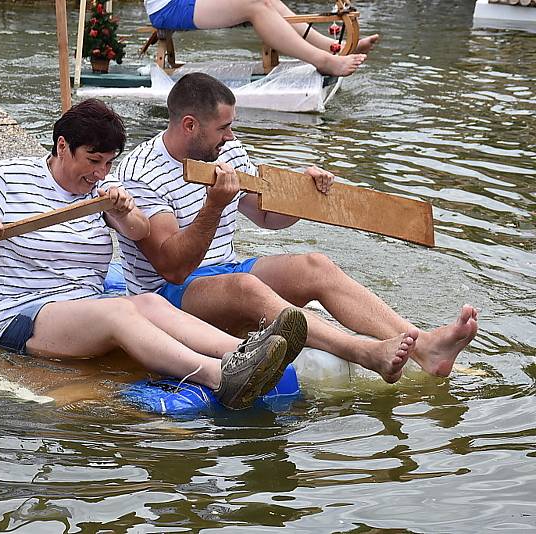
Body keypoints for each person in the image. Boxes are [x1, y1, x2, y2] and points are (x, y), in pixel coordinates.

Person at [0, 97, 307, 410]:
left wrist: (122, 208)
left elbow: (139, 231)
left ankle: (248, 353)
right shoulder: (11, 176)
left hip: (82, 307)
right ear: (62, 147)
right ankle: (219, 376)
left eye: (108, 163)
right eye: (92, 161)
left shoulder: (102, 190)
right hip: (18, 315)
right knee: (120, 308)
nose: (100, 172)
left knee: (148, 305)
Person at [115, 73, 479, 384]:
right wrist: (214, 205)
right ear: (190, 125)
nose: (229, 136)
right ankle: (364, 352)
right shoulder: (140, 172)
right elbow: (173, 268)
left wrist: (303, 197)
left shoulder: (225, 151)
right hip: (169, 295)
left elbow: (266, 218)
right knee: (244, 285)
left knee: (314, 265)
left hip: (225, 270)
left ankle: (426, 347)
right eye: (222, 128)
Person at [144, 0, 380, 77]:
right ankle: (323, 61)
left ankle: (333, 48)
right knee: (256, 6)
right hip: (168, 7)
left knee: (269, 1)